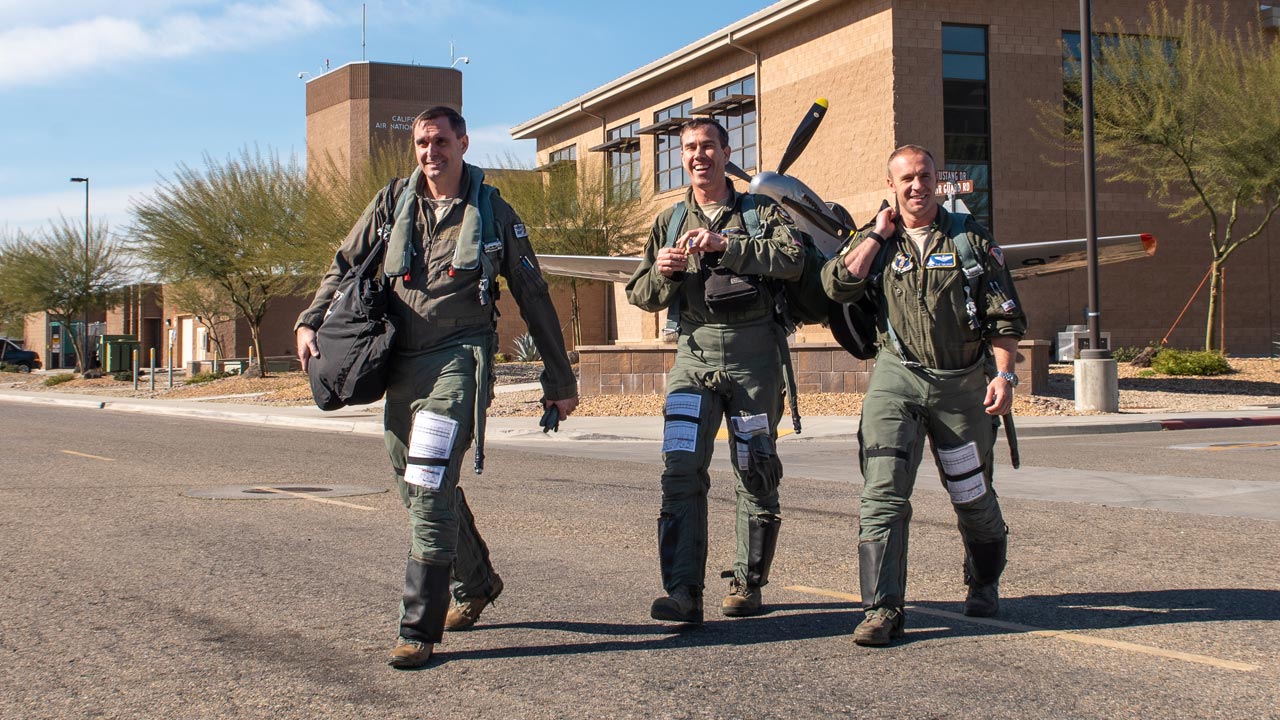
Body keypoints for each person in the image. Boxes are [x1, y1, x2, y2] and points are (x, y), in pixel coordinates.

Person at [295, 106, 579, 668]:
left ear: (463, 143)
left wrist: (559, 378)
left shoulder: (494, 211)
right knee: (416, 484)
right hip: (401, 362)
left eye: (441, 141)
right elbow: (345, 263)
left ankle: (417, 628)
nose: (432, 152)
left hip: (458, 361)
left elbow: (533, 294)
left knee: (427, 480)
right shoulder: (391, 202)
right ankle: (476, 582)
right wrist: (310, 319)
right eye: (423, 142)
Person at [822, 144, 1026, 646]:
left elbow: (1004, 317)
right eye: (907, 178)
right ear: (891, 184)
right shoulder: (876, 240)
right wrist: (876, 235)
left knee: (971, 497)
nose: (917, 186)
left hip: (961, 385)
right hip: (897, 379)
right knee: (882, 496)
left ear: (938, 180)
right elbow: (837, 286)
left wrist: (1004, 377)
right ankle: (881, 611)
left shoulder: (971, 240)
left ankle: (984, 581)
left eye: (925, 176)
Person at [626, 118, 804, 623]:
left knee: (755, 469)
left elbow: (793, 259)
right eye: (689, 148)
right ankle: (683, 592)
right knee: (680, 468)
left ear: (727, 152)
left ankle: (748, 585)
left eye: (708, 146)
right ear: (681, 157)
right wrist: (663, 273)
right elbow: (639, 293)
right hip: (693, 355)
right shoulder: (669, 220)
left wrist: (728, 246)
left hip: (754, 358)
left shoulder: (759, 211)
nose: (698, 155)